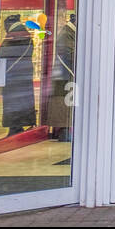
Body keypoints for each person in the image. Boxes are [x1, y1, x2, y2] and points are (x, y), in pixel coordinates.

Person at [0, 14, 36, 137]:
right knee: (22, 100)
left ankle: (15, 127)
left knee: (13, 101)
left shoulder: (15, 34)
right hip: (22, 73)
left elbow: (4, 53)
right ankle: (19, 125)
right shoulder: (23, 33)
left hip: (14, 75)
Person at [46, 12, 76, 142]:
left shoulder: (69, 33)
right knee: (64, 104)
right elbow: (69, 54)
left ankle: (65, 130)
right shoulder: (66, 34)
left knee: (66, 104)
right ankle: (63, 131)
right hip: (64, 76)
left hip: (66, 76)